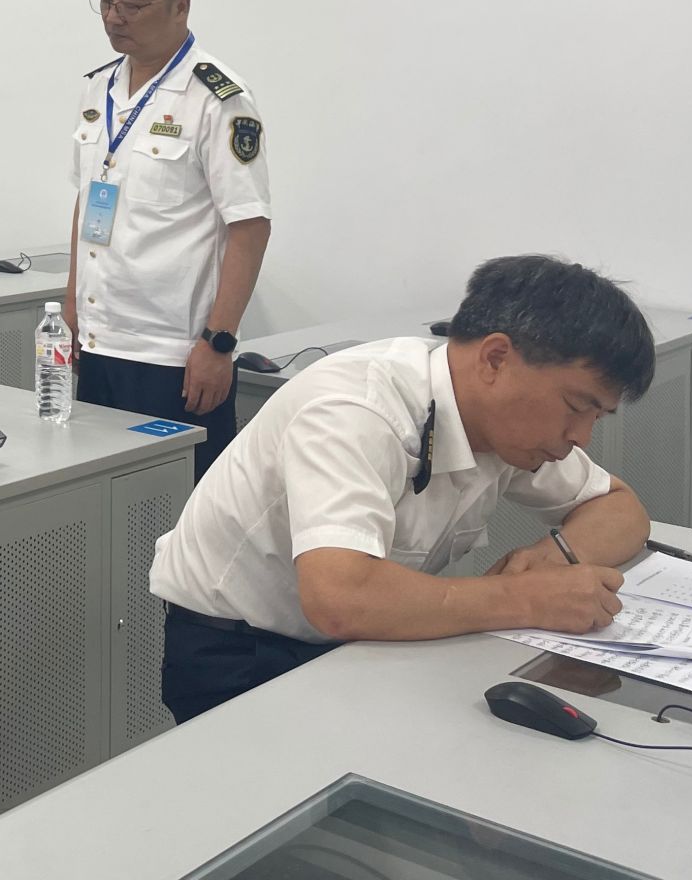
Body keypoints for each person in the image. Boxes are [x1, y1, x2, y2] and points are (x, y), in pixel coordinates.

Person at [150, 254, 655, 723]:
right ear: (496, 359)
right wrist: (527, 598)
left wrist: (551, 559)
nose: (580, 437)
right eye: (576, 406)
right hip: (243, 653)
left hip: (366, 639)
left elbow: (622, 509)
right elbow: (339, 596)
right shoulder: (357, 409)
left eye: (597, 416)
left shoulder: (509, 429)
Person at [65, 0, 271, 478]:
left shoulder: (218, 98)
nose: (114, 16)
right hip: (100, 339)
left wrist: (219, 343)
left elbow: (250, 227)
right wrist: (73, 306)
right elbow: (87, 200)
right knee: (101, 498)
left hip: (174, 356)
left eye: (132, 4)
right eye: (105, 0)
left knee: (181, 506)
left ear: (180, 6)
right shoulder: (99, 89)